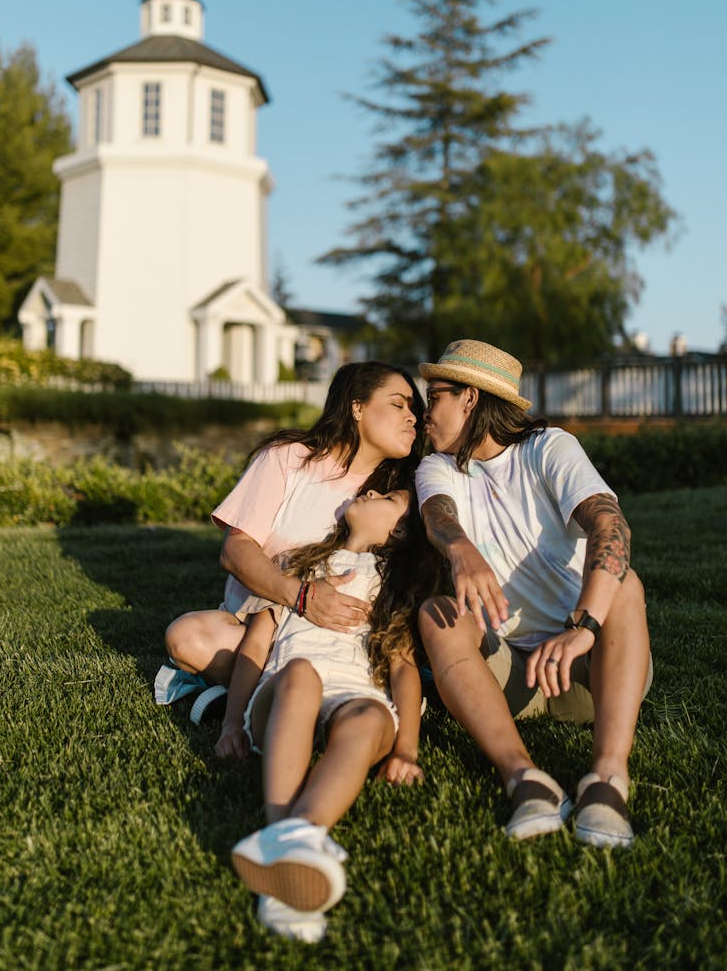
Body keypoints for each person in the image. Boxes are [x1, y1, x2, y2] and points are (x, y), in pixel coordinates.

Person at [415, 339, 652, 849]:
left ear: (470, 399)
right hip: (512, 681)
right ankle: (524, 778)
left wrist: (583, 627)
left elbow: (611, 524)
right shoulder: (437, 467)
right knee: (437, 613)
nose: (422, 410)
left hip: (594, 672)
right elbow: (438, 516)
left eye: (433, 396)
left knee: (626, 584)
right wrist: (460, 548)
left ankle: (608, 779)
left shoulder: (548, 448)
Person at [158, 362, 424, 735]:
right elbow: (235, 550)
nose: (412, 417)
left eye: (414, 408)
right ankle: (278, 700)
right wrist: (302, 597)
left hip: (344, 640)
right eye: (399, 404)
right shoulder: (288, 458)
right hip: (260, 629)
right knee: (188, 639)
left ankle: (257, 699)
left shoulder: (399, 495)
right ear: (357, 406)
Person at [229, 485, 435, 942]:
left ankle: (295, 844)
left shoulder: (392, 584)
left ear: (398, 531)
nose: (375, 490)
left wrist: (406, 748)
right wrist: (230, 722)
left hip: (357, 693)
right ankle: (284, 833)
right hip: (287, 690)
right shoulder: (296, 566)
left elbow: (402, 668)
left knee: (367, 717)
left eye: (391, 496)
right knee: (302, 672)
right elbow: (256, 645)